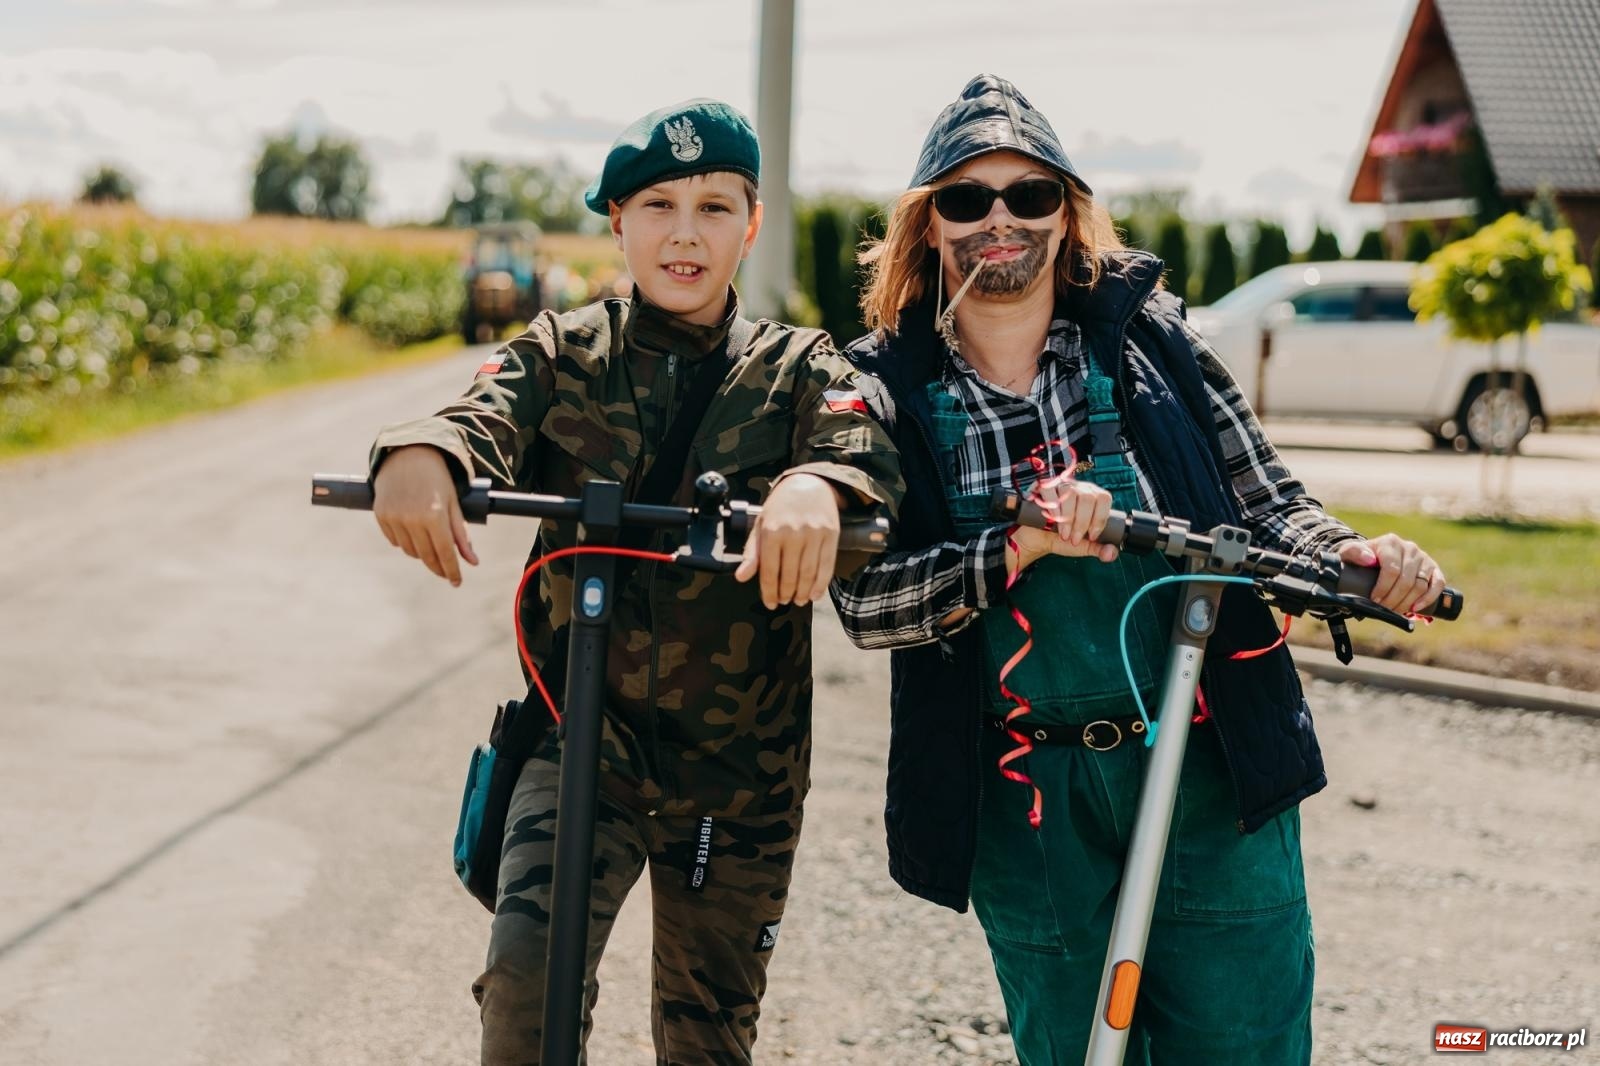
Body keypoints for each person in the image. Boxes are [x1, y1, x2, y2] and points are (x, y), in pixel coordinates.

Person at [831, 74, 1447, 1065]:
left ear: (1066, 215)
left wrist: (1353, 559)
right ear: (927, 226)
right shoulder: (881, 390)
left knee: (1243, 1043)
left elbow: (1269, 506)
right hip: (1028, 798)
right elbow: (866, 602)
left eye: (1028, 195)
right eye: (965, 197)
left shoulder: (1155, 344)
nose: (1000, 219)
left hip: (1208, 761)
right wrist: (1016, 545)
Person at [367, 98, 901, 1065]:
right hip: (583, 742)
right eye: (656, 205)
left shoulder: (795, 367)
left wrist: (817, 486)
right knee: (525, 989)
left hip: (739, 773)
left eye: (713, 206)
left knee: (708, 1030)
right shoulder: (565, 351)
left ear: (753, 222)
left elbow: (858, 444)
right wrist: (421, 452)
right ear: (617, 223)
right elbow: (478, 412)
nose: (685, 233)